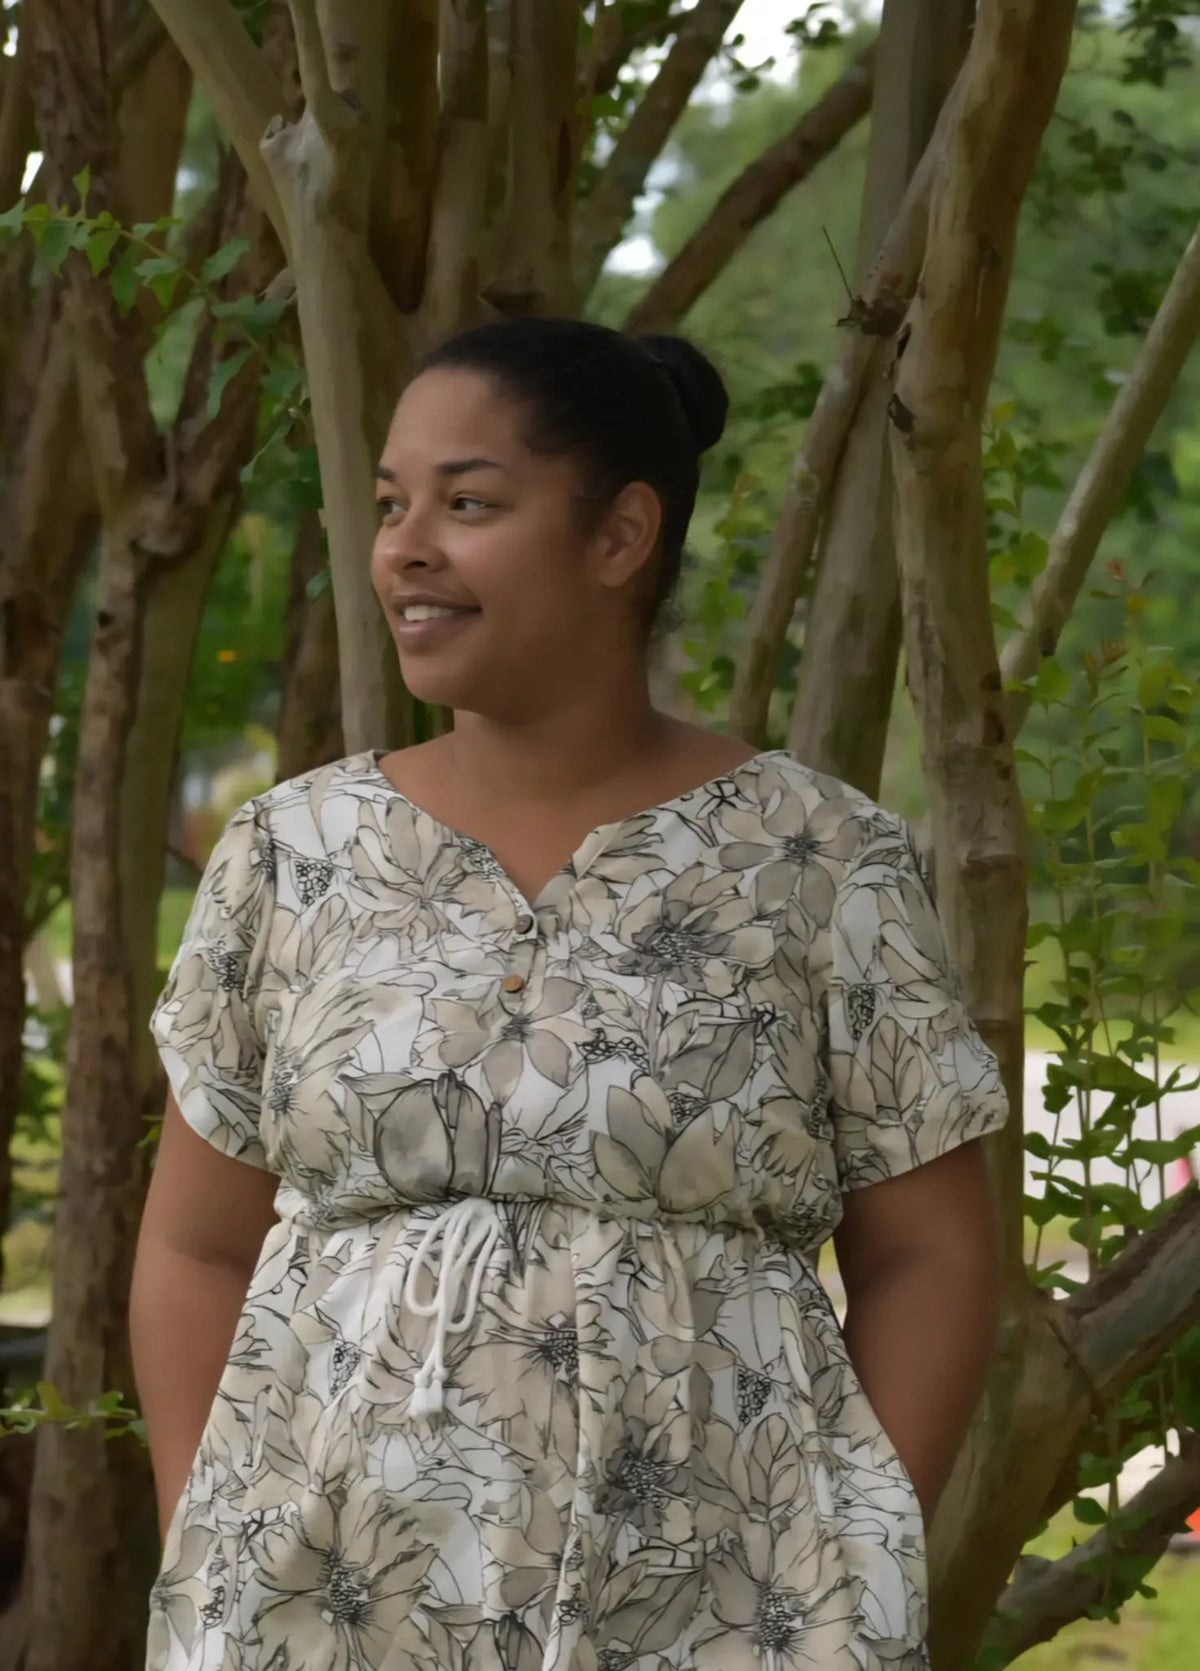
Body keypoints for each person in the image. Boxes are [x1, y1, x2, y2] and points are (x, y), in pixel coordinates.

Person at [130, 316, 1007, 1671]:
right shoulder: (291, 855)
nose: (405, 547)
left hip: (725, 1611)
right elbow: (193, 1248)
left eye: (468, 503)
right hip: (323, 1606)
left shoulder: (816, 859)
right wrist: (218, 1531)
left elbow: (933, 1251)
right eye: (389, 506)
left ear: (619, 536)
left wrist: (856, 1553)